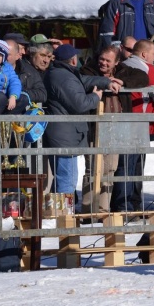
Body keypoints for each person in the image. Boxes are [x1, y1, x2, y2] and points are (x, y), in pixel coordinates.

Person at [43, 44, 121, 195]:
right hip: (65, 136)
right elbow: (80, 104)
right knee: (67, 180)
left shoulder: (62, 73)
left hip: (63, 134)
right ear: (73, 60)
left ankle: (60, 214)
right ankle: (64, 216)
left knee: (63, 178)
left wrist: (107, 82)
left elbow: (84, 81)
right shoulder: (64, 77)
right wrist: (95, 97)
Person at [79, 45, 148, 214]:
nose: (103, 63)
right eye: (101, 59)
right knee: (93, 168)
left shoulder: (123, 71)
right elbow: (85, 80)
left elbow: (143, 77)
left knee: (110, 168)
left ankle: (103, 208)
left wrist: (122, 82)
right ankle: (89, 209)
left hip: (117, 127)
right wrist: (107, 83)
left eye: (108, 61)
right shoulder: (88, 70)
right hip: (95, 125)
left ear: (117, 62)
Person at [113, 39, 154, 214]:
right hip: (138, 122)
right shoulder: (148, 68)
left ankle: (124, 204)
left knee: (125, 165)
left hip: (122, 119)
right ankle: (126, 206)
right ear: (144, 54)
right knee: (132, 165)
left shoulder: (122, 65)